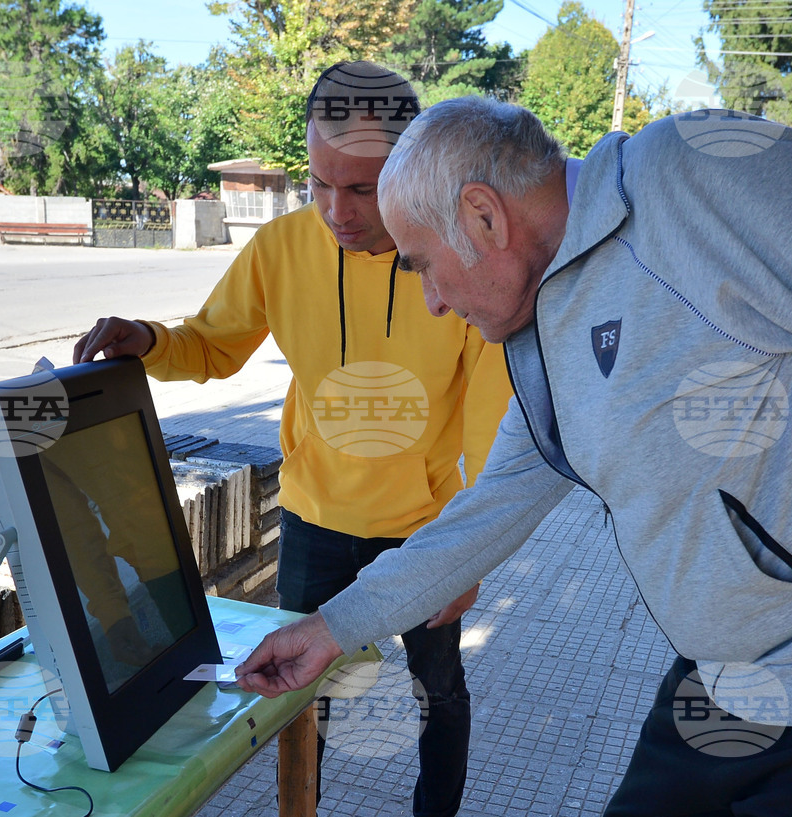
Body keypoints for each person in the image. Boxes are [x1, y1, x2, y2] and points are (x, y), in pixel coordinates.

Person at [236, 97, 792, 816]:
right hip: (723, 680)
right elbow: (489, 510)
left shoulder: (693, 171)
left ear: (484, 216)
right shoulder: (543, 332)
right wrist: (331, 628)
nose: (433, 301)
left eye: (425, 266)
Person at [74, 64, 513, 817]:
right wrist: (147, 340)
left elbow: (494, 430)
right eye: (319, 183)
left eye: (363, 189)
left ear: (410, 173)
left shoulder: (460, 260)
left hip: (425, 531)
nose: (337, 211)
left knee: (436, 692)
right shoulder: (280, 247)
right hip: (313, 519)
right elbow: (213, 346)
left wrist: (469, 553)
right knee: (300, 695)